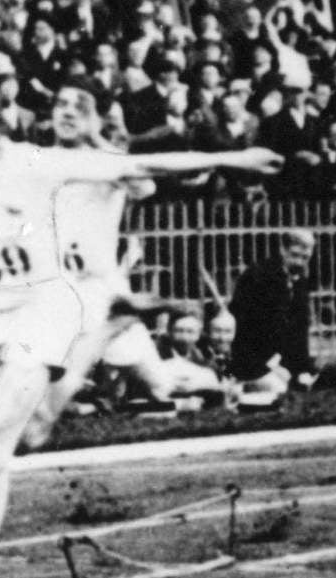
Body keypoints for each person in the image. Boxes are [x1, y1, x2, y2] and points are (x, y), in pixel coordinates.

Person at [0, 84, 280, 578]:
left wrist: (228, 158)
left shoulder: (37, 163)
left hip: (44, 306)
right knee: (28, 435)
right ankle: (106, 326)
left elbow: (142, 161)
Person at [20, 80, 220, 449]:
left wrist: (97, 139)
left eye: (79, 108)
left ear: (94, 118)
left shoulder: (108, 161)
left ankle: (208, 384)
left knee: (159, 383)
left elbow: (145, 189)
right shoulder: (41, 159)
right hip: (56, 285)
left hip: (103, 292)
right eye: (61, 103)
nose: (66, 113)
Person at [226, 229, 321, 389]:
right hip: (253, 361)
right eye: (295, 255)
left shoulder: (300, 281)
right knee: (278, 387)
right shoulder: (257, 277)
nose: (299, 262)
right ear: (282, 250)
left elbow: (299, 330)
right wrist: (270, 367)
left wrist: (302, 368)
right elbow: (246, 331)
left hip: (283, 360)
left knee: (324, 379)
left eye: (305, 258)